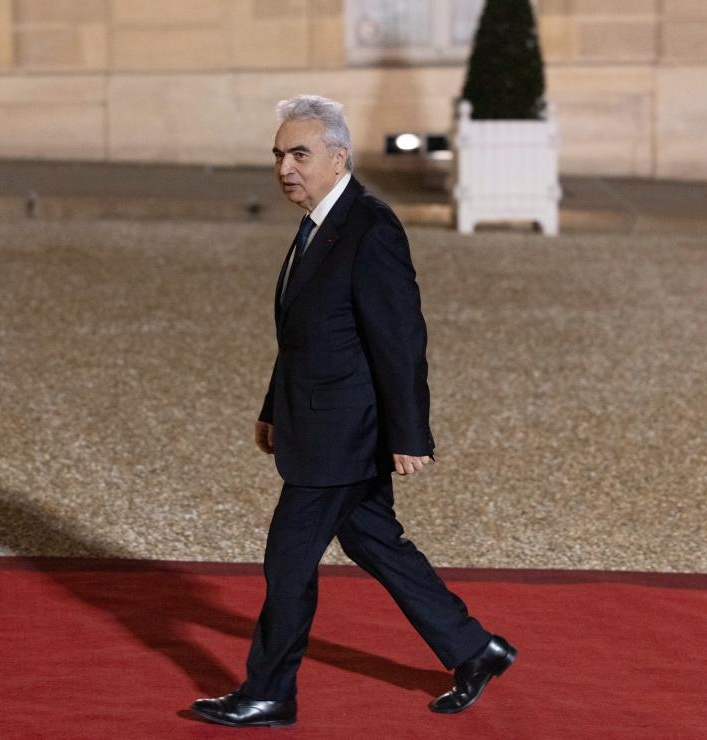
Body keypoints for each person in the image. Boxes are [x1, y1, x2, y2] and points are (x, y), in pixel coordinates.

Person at [191, 95, 516, 728]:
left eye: (300, 154)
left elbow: (399, 339)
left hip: (344, 433)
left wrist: (410, 434)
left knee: (288, 559)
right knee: (374, 541)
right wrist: (273, 407)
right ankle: (475, 649)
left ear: (339, 157)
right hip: (319, 421)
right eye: (279, 155)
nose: (285, 168)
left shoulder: (370, 228)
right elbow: (308, 336)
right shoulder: (317, 223)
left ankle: (270, 692)